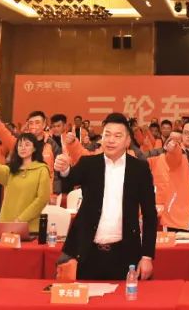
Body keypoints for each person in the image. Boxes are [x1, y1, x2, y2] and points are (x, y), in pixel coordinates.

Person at [52, 113, 157, 281]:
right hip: (86, 252)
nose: (110, 140)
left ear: (127, 141)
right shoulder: (89, 163)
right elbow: (69, 181)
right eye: (107, 134)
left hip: (124, 254)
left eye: (117, 136)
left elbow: (150, 214)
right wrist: (64, 169)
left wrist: (147, 256)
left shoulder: (139, 169)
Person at [0, 132, 51, 233]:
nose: (23, 148)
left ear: (34, 148)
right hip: (7, 225)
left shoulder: (42, 170)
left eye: (27, 145)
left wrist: (21, 219)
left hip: (30, 228)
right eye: (20, 145)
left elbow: (42, 199)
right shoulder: (13, 169)